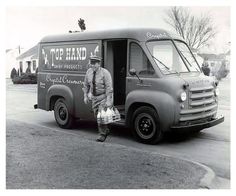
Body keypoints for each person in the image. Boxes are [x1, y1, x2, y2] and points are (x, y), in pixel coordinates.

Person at [83, 55, 113, 142]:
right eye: (91, 63)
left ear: (99, 63)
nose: (92, 65)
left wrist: (108, 100)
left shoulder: (105, 73)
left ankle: (102, 134)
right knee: (97, 115)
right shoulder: (89, 72)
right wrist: (85, 96)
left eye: (94, 63)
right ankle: (106, 129)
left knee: (101, 115)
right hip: (94, 98)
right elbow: (85, 85)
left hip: (103, 96)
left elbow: (109, 87)